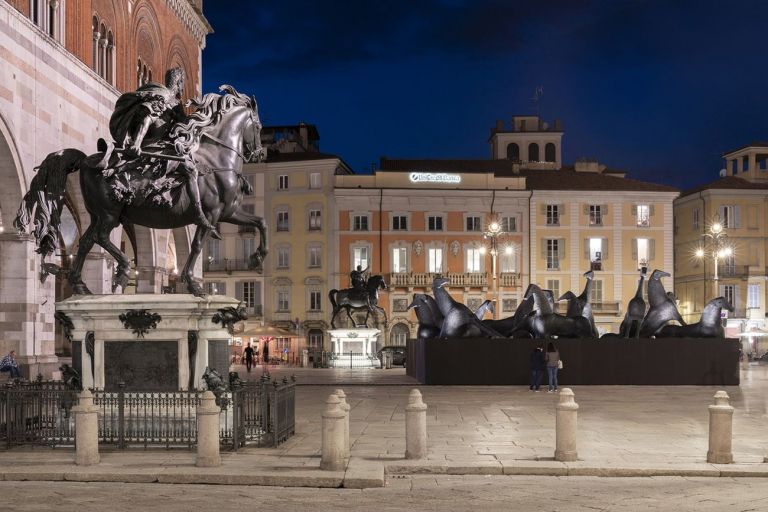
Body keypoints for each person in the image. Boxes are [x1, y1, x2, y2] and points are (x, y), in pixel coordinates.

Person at [108, 67, 220, 239]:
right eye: (181, 83)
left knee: (192, 163)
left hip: (168, 145)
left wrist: (199, 107)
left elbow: (185, 124)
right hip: (154, 145)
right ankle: (198, 213)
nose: (182, 87)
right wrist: (137, 143)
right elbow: (148, 118)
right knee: (190, 170)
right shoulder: (164, 96)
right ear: (178, 83)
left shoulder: (175, 103)